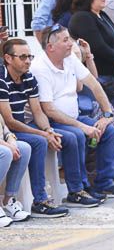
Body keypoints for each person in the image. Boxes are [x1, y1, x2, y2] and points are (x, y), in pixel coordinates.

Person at [33, 26, 114, 205]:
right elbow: (49, 109)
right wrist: (83, 127)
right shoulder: (40, 67)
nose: (71, 43)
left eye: (69, 38)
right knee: (76, 135)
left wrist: (107, 114)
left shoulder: (69, 58)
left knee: (108, 130)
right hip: (52, 121)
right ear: (50, 47)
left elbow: (94, 85)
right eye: (65, 40)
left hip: (74, 117)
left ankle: (103, 183)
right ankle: (77, 189)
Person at [0, 38, 69, 218]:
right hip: (7, 130)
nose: (28, 61)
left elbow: (38, 112)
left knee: (58, 136)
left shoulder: (28, 76)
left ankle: (75, 189)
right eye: (23, 57)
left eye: (29, 56)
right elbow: (9, 120)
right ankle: (40, 200)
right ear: (8, 58)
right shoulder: (1, 79)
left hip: (21, 128)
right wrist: (41, 134)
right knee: (38, 141)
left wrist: (48, 130)